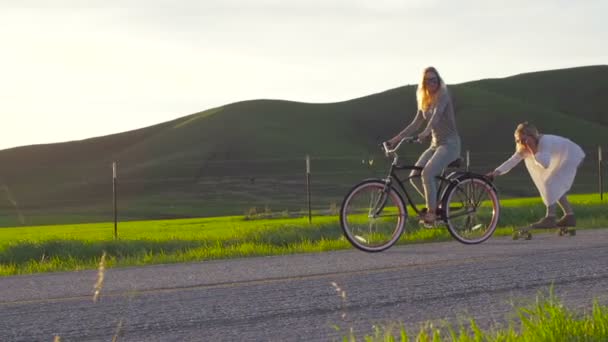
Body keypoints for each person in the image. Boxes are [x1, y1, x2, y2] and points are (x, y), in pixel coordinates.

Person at [386, 66, 461, 225]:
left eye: (435, 80)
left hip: (450, 144)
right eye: (428, 80)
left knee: (427, 173)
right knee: (414, 176)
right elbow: (415, 124)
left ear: (439, 81)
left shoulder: (443, 95)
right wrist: (396, 139)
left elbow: (436, 116)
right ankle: (437, 204)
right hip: (435, 145)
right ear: (423, 83)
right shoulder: (424, 100)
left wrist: (426, 132)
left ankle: (432, 213)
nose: (432, 83)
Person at [486, 122, 585, 228]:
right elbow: (512, 161)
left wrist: (533, 150)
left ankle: (550, 217)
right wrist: (496, 172)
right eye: (518, 140)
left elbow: (545, 164)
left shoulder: (544, 141)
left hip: (571, 155)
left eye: (524, 140)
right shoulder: (523, 147)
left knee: (549, 181)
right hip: (560, 156)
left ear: (532, 136)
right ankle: (569, 217)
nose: (522, 143)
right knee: (554, 184)